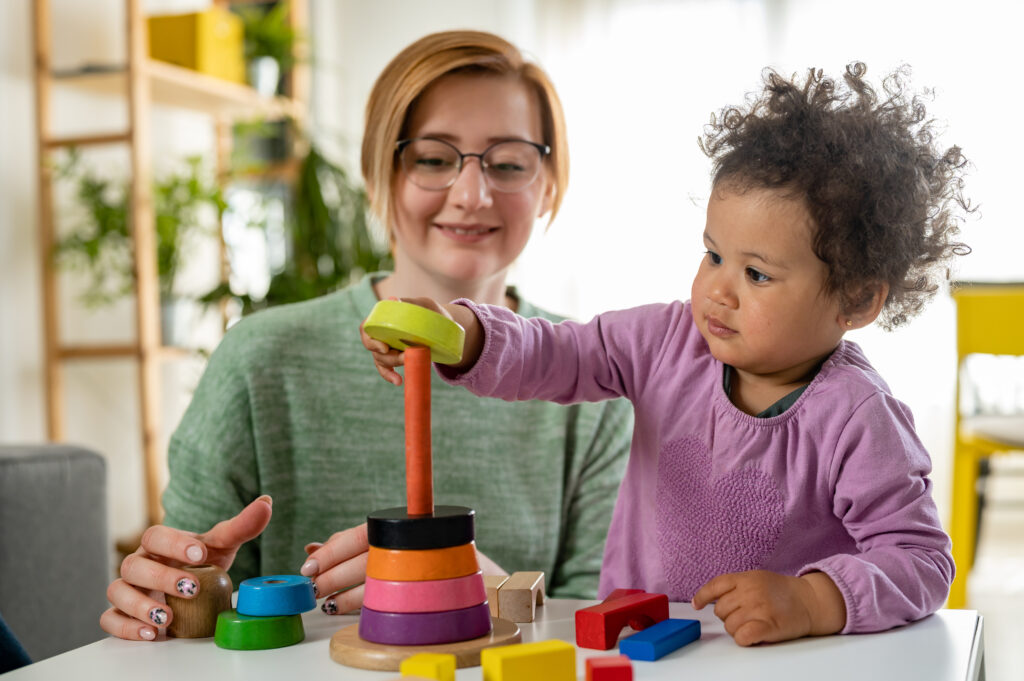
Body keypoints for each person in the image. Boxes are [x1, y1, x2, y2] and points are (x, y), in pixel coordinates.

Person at [364, 63, 969, 646]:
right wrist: (464, 333)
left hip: (777, 662)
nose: (717, 290)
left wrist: (813, 601)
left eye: (756, 274)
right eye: (713, 255)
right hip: (637, 644)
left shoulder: (858, 417)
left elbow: (919, 559)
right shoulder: (664, 342)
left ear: (857, 300)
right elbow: (558, 352)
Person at [100, 30, 632, 641]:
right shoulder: (261, 359)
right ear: (379, 171)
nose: (471, 194)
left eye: (509, 163)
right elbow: (193, 606)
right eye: (433, 158)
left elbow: (607, 621)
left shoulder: (594, 376)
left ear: (549, 185)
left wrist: (473, 585)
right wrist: (170, 600)